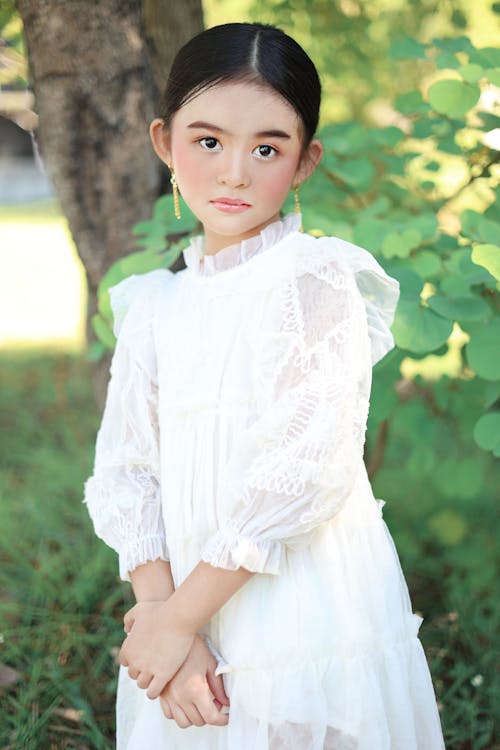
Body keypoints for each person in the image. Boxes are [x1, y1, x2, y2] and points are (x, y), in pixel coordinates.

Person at [83, 21, 446, 750]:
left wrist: (182, 618)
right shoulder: (155, 304)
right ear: (165, 143)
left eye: (268, 148)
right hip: (179, 600)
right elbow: (127, 469)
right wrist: (163, 622)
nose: (235, 173)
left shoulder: (312, 281)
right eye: (208, 141)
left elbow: (301, 471)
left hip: (301, 602)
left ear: (305, 160)